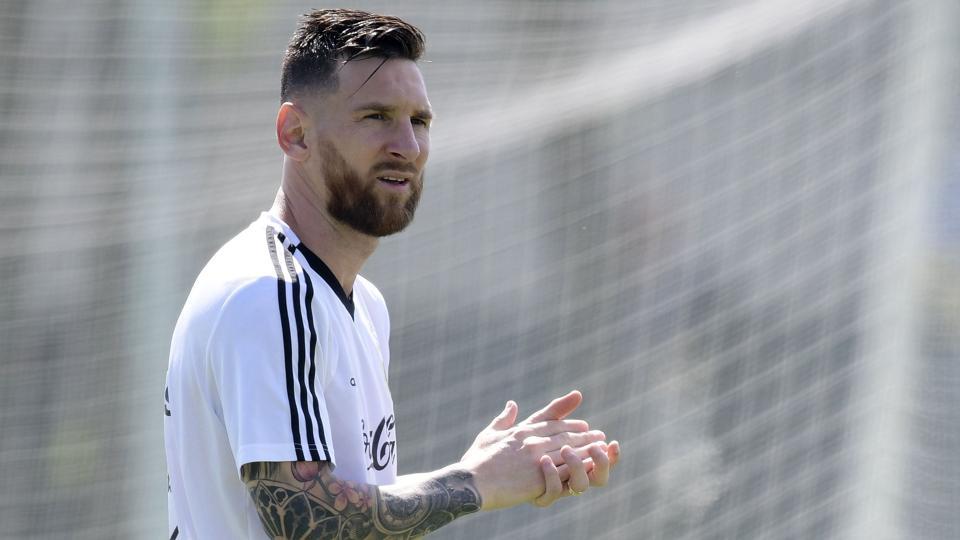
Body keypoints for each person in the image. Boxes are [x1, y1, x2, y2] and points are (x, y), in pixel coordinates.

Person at [163, 8, 620, 539]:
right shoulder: (270, 293)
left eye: (419, 121)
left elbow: (346, 504)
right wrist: (475, 482)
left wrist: (486, 467)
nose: (407, 146)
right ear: (295, 134)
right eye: (376, 116)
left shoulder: (360, 306)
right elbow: (309, 520)